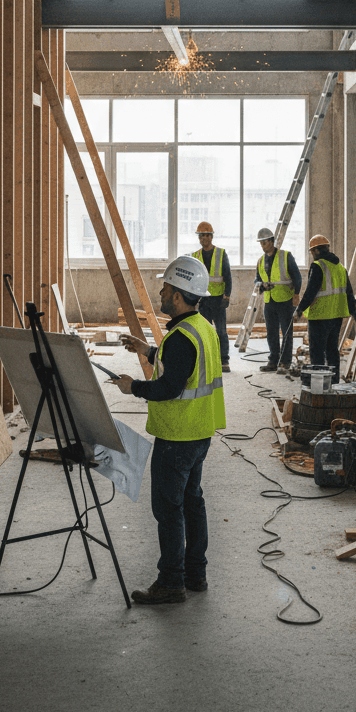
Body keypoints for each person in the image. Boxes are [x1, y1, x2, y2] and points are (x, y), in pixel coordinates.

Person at [115, 255, 226, 606]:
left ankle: (171, 582)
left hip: (177, 436)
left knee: (168, 509)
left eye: (164, 288)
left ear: (178, 295)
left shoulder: (180, 337)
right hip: (200, 433)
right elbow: (180, 364)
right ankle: (196, 574)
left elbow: (169, 387)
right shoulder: (202, 327)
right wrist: (146, 349)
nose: (160, 293)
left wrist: (133, 387)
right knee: (192, 502)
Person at [294, 234, 356, 384]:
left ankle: (319, 385)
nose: (312, 256)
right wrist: (355, 313)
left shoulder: (318, 266)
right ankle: (334, 383)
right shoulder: (340, 267)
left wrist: (299, 310)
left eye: (311, 252)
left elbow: (311, 292)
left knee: (317, 353)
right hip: (336, 317)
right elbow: (349, 293)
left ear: (316, 251)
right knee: (332, 352)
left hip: (319, 317)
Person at [254, 226, 301, 374]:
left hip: (285, 299)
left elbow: (297, 277)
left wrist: (296, 295)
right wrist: (261, 285)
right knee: (271, 332)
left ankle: (285, 362)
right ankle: (273, 360)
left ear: (272, 242)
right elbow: (257, 280)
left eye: (265, 242)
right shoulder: (260, 261)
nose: (263, 245)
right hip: (269, 301)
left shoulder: (285, 256)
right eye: (261, 243)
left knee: (286, 331)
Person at [192, 221, 232, 374]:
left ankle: (224, 360)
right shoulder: (195, 256)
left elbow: (228, 276)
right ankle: (207, 360)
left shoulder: (221, 254)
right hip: (203, 300)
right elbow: (193, 279)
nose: (204, 238)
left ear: (211, 236)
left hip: (218, 299)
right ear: (199, 238)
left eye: (207, 235)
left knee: (221, 331)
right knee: (205, 332)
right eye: (201, 236)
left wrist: (227, 296)